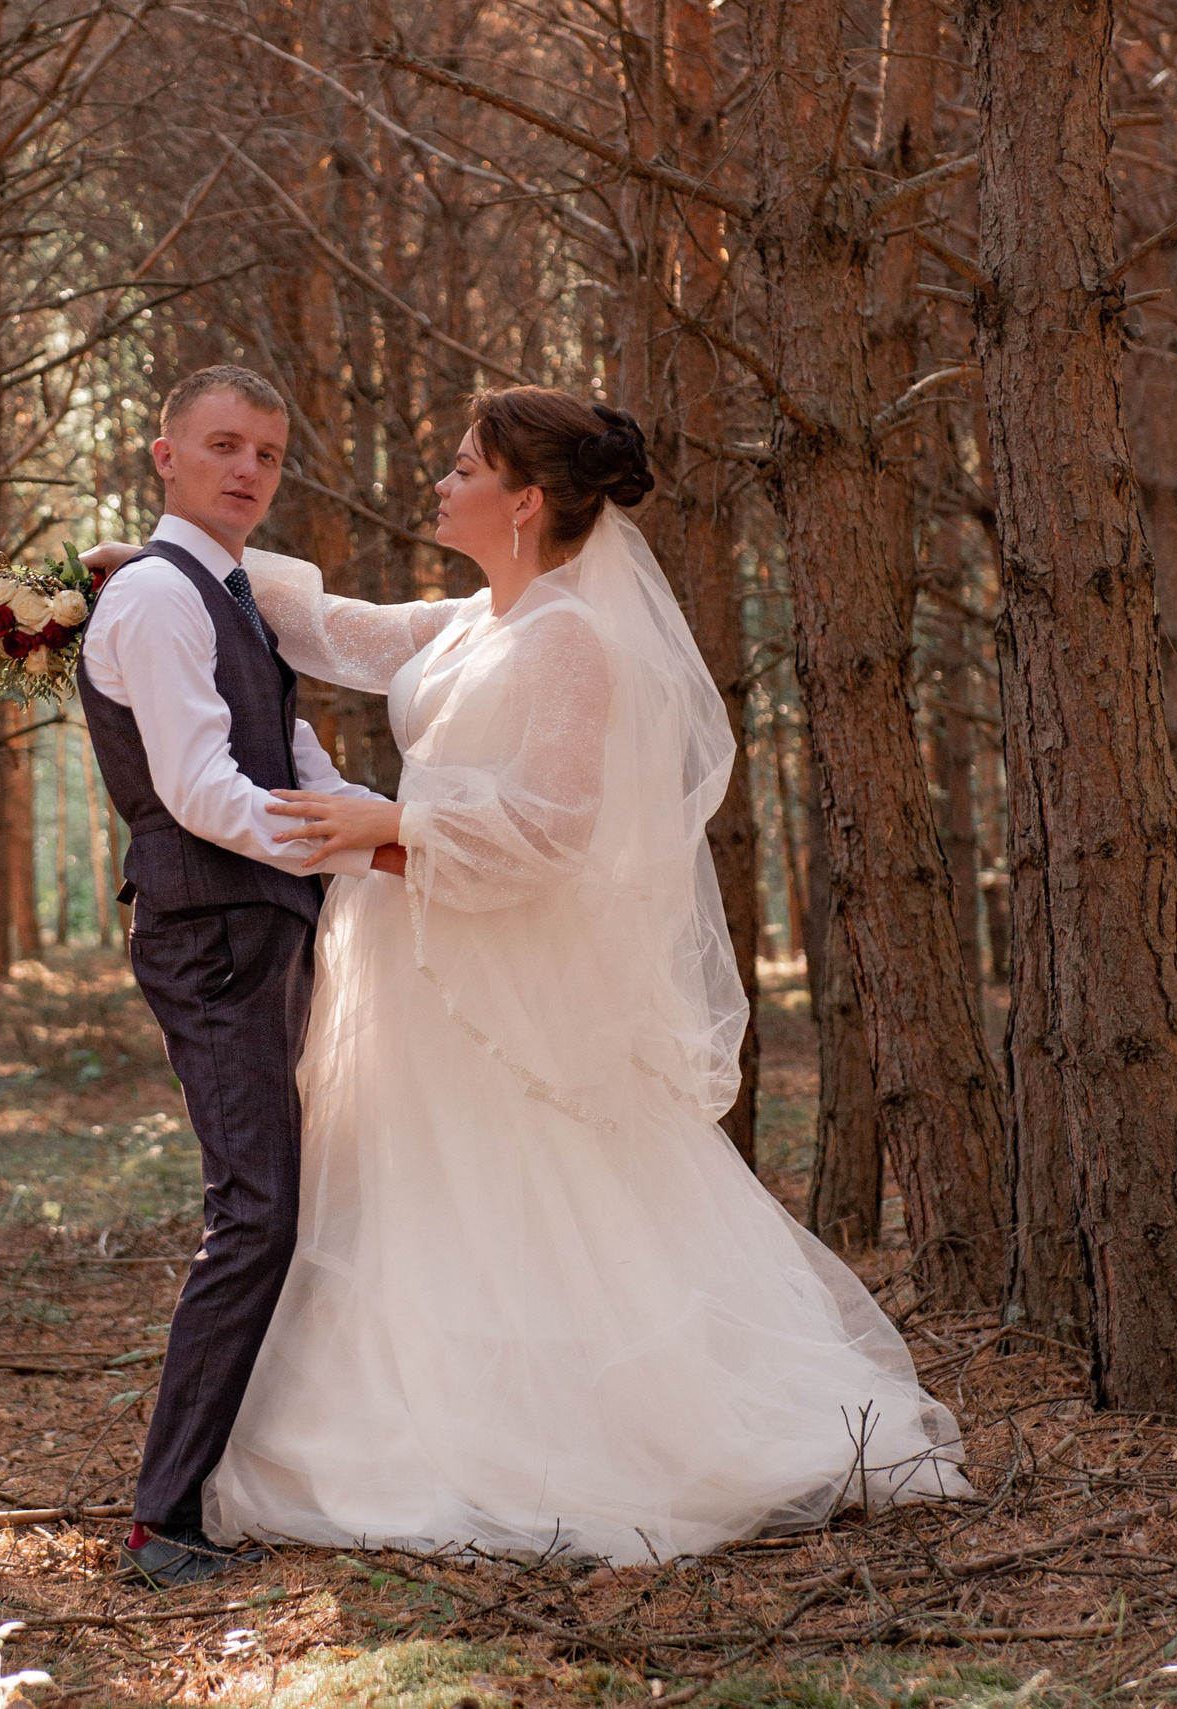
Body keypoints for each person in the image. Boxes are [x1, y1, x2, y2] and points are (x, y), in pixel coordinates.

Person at [95, 386, 969, 1566]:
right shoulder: (469, 620)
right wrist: (165, 562)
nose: (442, 483)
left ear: (524, 501)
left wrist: (391, 827)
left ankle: (555, 1441)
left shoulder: (569, 638)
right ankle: (411, 1423)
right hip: (412, 949)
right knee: (416, 1193)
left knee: (515, 1189)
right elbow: (330, 630)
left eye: (465, 468)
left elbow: (554, 830)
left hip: (490, 957)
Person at [73, 364, 406, 1588]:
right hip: (210, 929)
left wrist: (399, 835)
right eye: (222, 445)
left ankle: (231, 1476)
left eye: (266, 452)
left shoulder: (225, 594)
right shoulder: (159, 597)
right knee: (255, 1208)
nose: (248, 470)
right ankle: (162, 1517)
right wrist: (357, 849)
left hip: (260, 919)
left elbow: (290, 754)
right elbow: (203, 793)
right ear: (164, 454)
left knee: (275, 1201)